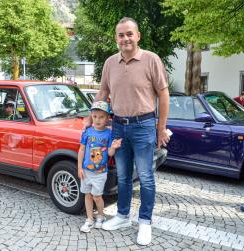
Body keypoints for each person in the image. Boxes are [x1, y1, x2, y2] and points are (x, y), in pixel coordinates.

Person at [84, 17, 170, 245]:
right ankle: (122, 216)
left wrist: (161, 127)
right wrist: (88, 120)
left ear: (138, 36)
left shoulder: (151, 60)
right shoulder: (110, 63)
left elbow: (163, 94)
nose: (125, 39)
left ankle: (144, 222)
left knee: (145, 176)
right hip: (118, 127)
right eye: (121, 35)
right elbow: (102, 94)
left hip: (144, 126)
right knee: (122, 176)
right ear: (116, 39)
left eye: (129, 34)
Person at [78, 101, 122, 233]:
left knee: (97, 196)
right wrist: (79, 167)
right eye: (95, 116)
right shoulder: (87, 132)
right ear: (91, 116)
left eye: (101, 117)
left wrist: (113, 148)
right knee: (87, 195)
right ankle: (90, 219)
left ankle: (101, 216)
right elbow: (81, 150)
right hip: (86, 171)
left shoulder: (109, 133)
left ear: (107, 118)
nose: (97, 120)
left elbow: (109, 153)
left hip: (100, 172)